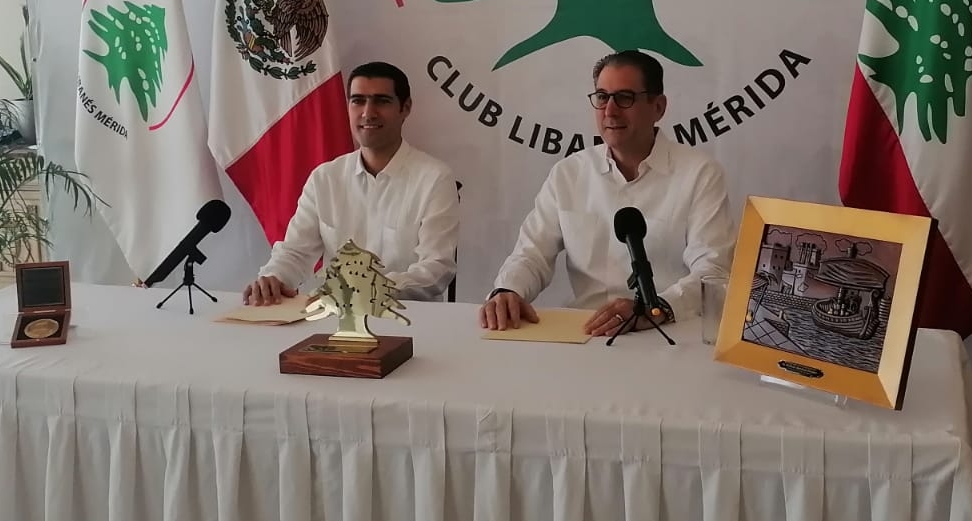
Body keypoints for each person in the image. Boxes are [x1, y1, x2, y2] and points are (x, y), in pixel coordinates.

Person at [480, 50, 735, 336]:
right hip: (586, 333)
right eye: (602, 97)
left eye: (625, 98)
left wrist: (657, 308)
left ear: (658, 107)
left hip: (667, 333)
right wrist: (508, 289)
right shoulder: (569, 173)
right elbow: (531, 253)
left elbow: (713, 272)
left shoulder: (700, 174)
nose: (610, 111)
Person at [244, 62, 458, 304]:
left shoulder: (434, 178)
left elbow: (437, 268)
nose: (368, 113)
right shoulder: (325, 178)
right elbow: (295, 252)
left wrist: (369, 289)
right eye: (358, 101)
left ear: (405, 108)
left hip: (409, 316)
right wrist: (273, 279)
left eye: (382, 101)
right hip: (335, 316)